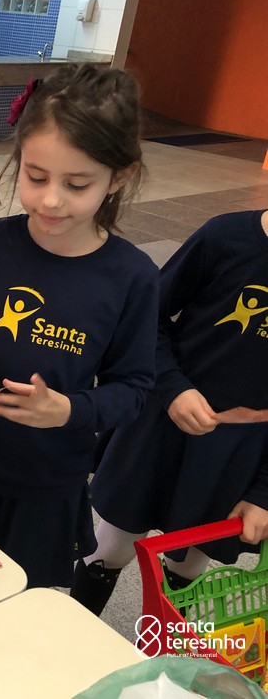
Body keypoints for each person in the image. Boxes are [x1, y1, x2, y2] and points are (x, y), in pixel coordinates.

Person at [0, 64, 160, 588]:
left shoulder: (132, 277)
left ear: (119, 177)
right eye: (36, 176)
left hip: (49, 486)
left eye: (77, 184)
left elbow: (134, 389)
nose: (51, 199)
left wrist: (69, 410)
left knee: (23, 607)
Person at [72, 208, 268, 614]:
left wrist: (264, 493)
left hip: (243, 450)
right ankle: (69, 641)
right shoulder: (225, 236)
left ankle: (159, 652)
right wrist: (173, 387)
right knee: (112, 547)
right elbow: (146, 319)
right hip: (163, 421)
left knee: (189, 567)